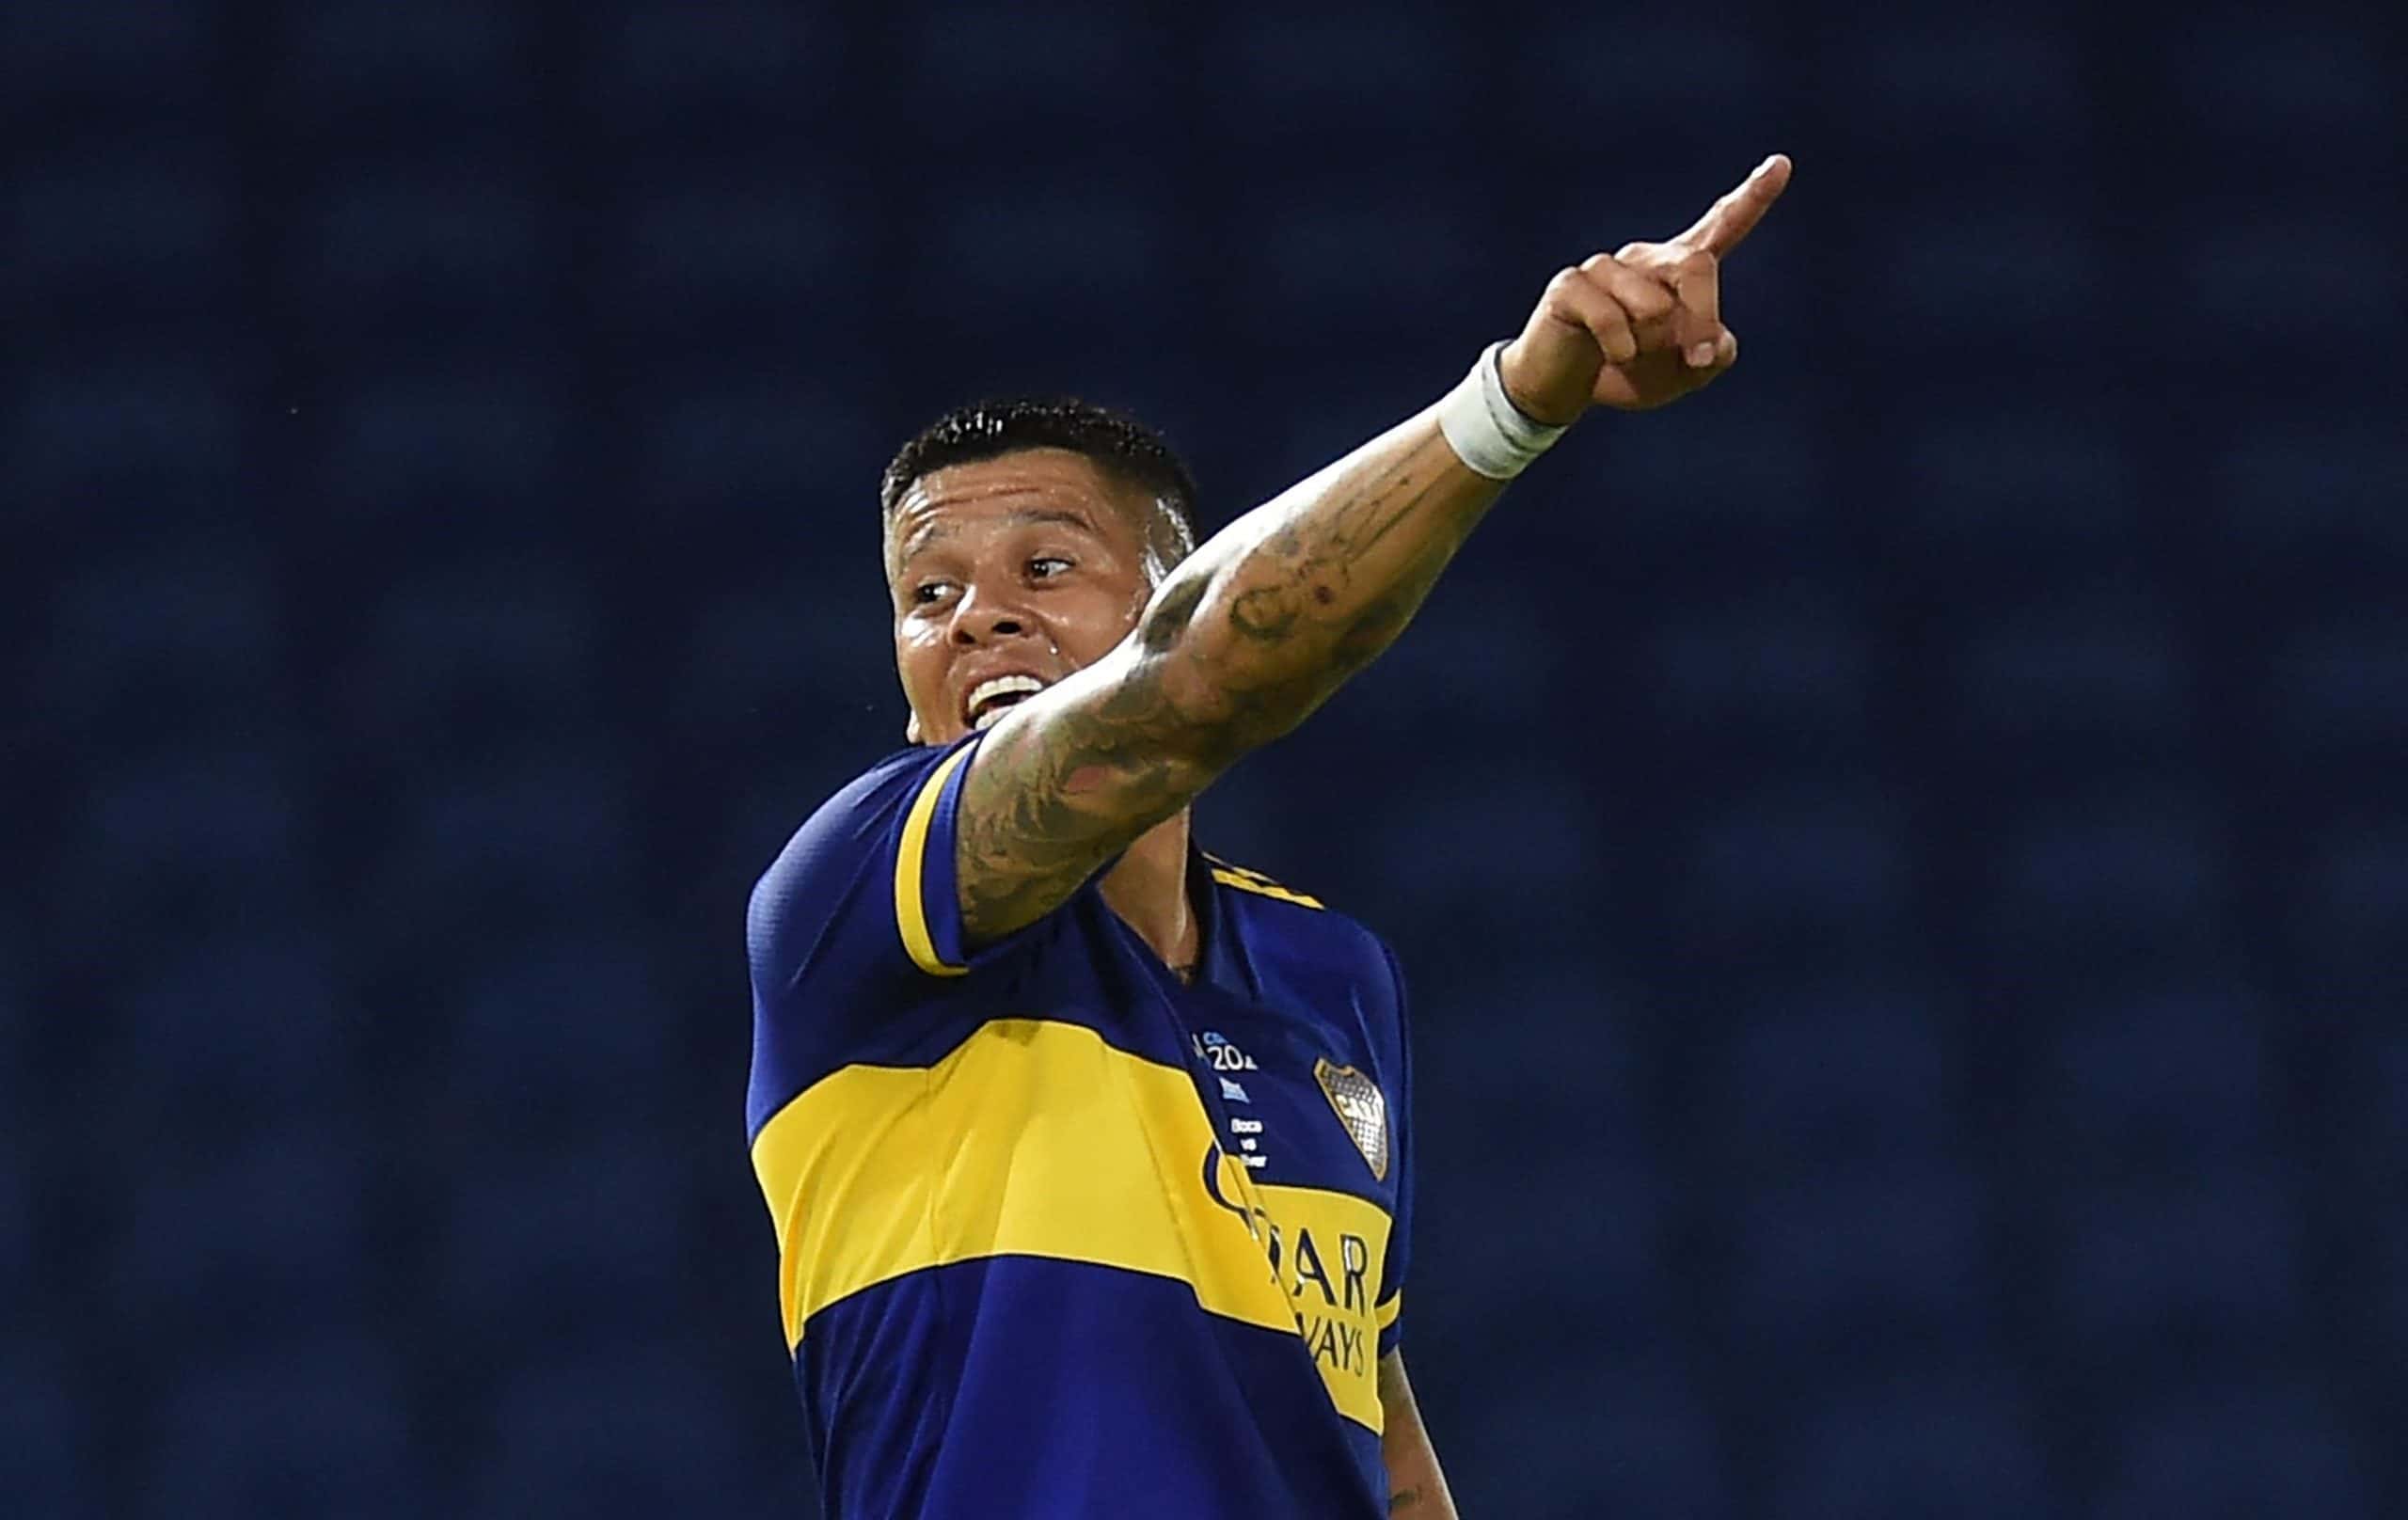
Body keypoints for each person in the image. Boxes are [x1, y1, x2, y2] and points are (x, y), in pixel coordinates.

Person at [746, 154, 1794, 1520]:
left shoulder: (1332, 974)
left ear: (1161, 586)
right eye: (926, 594)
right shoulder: (857, 905)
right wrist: (1511, 407)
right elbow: (1194, 684)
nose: (976, 619)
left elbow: (1376, 1431)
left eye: (1046, 568)